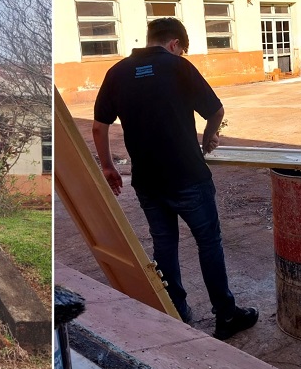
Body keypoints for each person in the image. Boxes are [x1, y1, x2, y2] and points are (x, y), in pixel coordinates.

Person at [91, 17, 257, 341]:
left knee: (164, 245)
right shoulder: (178, 67)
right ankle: (226, 315)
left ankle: (177, 317)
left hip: (148, 182)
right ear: (174, 44)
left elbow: (99, 127)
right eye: (181, 50)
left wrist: (108, 167)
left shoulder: (117, 73)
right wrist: (208, 141)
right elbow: (216, 110)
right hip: (189, 176)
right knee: (209, 243)